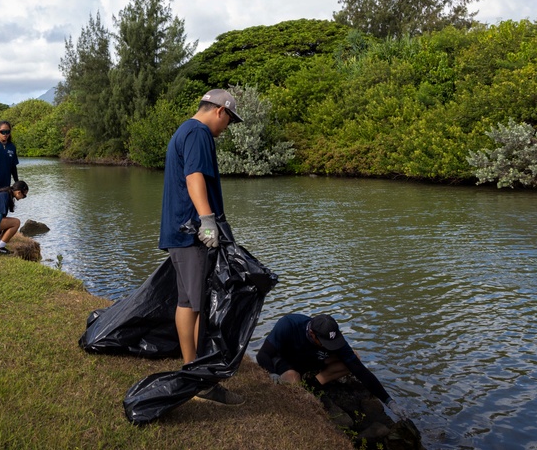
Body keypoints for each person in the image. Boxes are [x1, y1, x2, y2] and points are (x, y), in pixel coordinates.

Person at [159, 88, 243, 405]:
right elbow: (194, 177)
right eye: (229, 121)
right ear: (219, 110)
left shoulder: (184, 129)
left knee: (187, 302)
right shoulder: (198, 132)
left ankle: (191, 366)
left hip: (179, 230)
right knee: (198, 305)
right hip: (192, 231)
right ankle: (200, 381)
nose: (227, 128)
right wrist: (207, 220)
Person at [255, 313, 407, 420]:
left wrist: (389, 401)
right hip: (286, 360)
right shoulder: (289, 324)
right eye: (327, 344)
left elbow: (360, 370)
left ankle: (313, 383)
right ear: (312, 334)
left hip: (312, 360)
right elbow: (262, 355)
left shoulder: (333, 337)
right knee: (293, 380)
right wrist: (271, 374)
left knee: (354, 359)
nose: (332, 346)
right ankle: (299, 383)